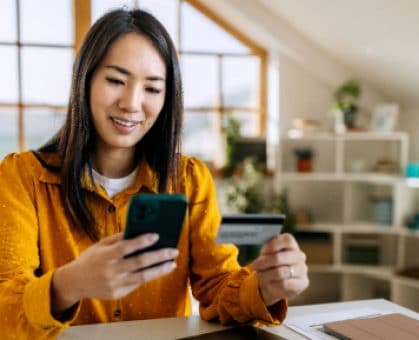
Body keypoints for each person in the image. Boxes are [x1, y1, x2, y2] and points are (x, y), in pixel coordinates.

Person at [0, 8, 309, 339]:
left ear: (167, 98)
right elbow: (6, 306)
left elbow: (218, 286)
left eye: (152, 88)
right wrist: (69, 283)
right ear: (84, 81)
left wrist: (265, 287)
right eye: (116, 80)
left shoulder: (188, 179)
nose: (132, 103)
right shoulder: (23, 176)